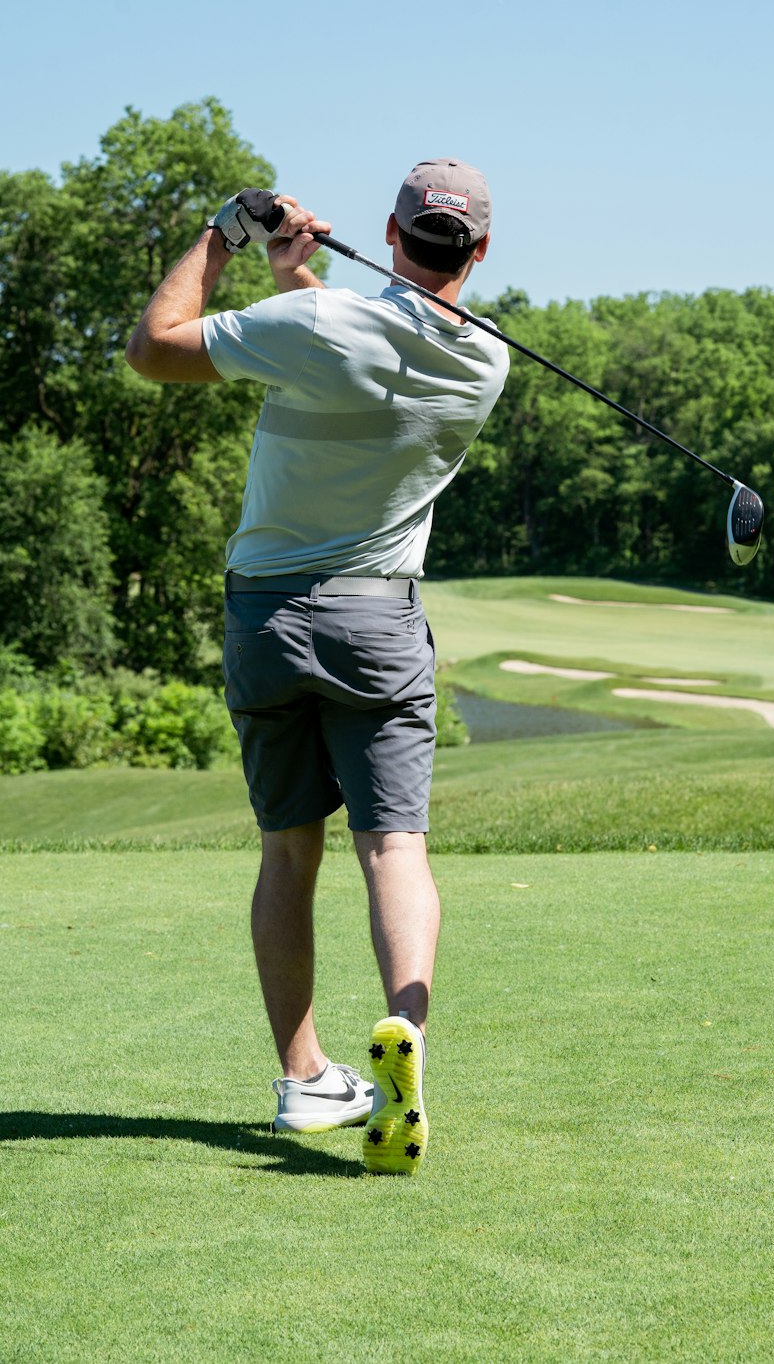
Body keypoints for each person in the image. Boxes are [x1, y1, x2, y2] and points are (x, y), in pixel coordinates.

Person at [125, 160, 509, 1174]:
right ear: (478, 251)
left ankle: (304, 1081)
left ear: (389, 232)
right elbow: (374, 349)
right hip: (379, 623)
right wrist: (303, 280)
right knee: (395, 851)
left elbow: (154, 350)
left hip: (267, 619)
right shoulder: (484, 366)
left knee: (289, 852)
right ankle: (405, 1033)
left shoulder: (317, 329)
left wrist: (225, 239)